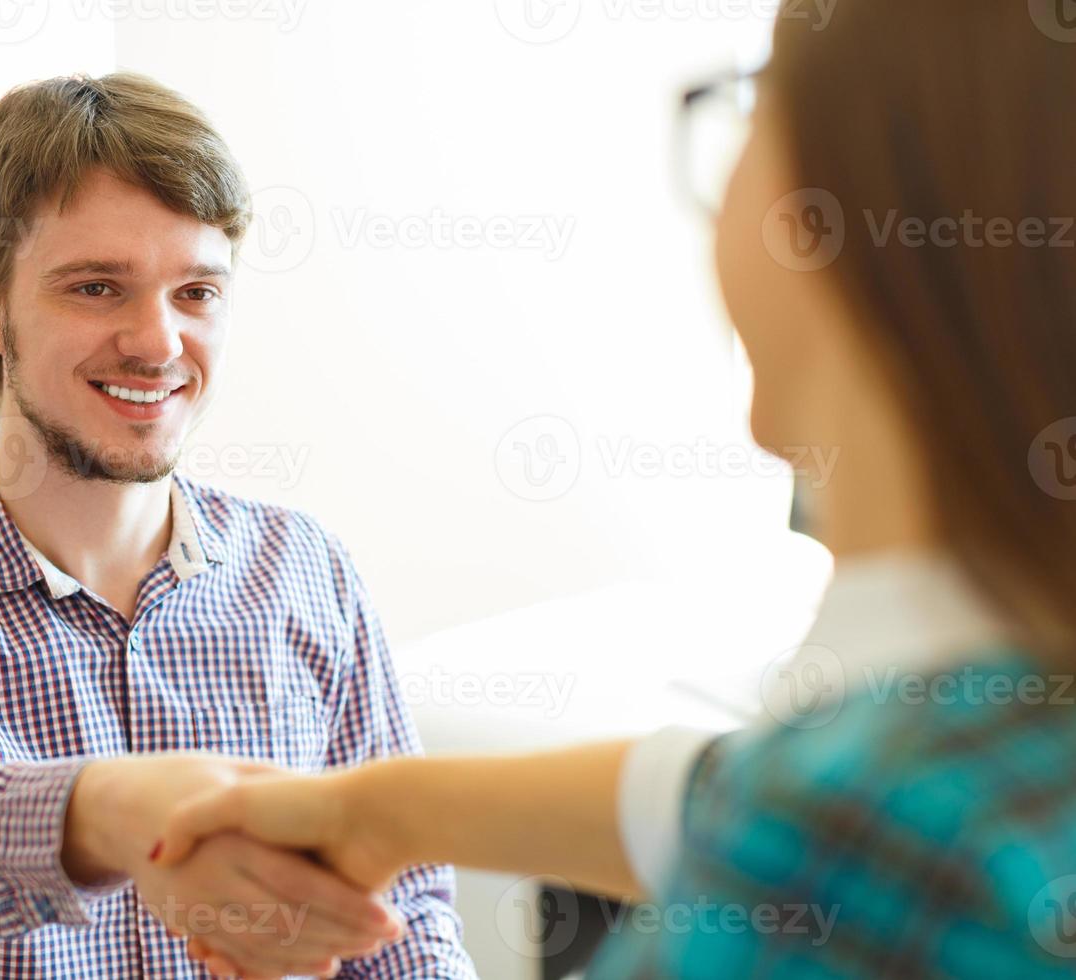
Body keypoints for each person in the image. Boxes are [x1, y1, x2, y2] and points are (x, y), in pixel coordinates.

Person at [151, 2, 1076, 976]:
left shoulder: (839, 846)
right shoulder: (966, 741)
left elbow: (799, 812)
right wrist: (378, 810)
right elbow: (712, 787)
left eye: (749, 116)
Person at [0, 73, 477, 979]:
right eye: (97, 288)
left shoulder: (304, 570)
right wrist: (112, 812)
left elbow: (403, 923)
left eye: (197, 293)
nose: (159, 343)